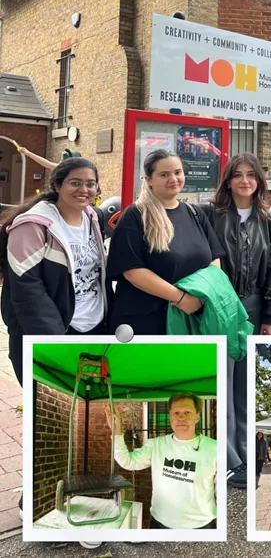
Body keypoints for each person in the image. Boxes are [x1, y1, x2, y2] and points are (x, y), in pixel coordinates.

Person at [199, 153, 271, 489]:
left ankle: (247, 455)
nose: (245, 181)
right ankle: (230, 461)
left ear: (259, 181)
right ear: (228, 180)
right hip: (220, 306)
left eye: (251, 175)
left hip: (252, 307)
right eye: (238, 175)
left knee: (245, 387)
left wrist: (270, 317)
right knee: (225, 381)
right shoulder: (209, 215)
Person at [0, 157, 109, 387]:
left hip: (94, 328)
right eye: (75, 183)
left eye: (90, 184)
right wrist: (56, 343)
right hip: (55, 331)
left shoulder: (92, 217)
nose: (84, 190)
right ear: (57, 186)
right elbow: (27, 291)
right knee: (48, 403)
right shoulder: (32, 226)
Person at [106, 149, 225, 335]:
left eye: (178, 172)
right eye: (164, 174)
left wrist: (202, 295)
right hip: (147, 323)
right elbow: (132, 271)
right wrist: (182, 298)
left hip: (192, 320)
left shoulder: (195, 213)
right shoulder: (134, 216)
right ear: (149, 180)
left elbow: (214, 258)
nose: (173, 179)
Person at [105, 394, 217, 529]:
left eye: (187, 412)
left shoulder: (215, 449)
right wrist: (116, 432)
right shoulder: (156, 445)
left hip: (202, 526)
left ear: (197, 416)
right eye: (176, 413)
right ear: (170, 416)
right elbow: (128, 461)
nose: (181, 417)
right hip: (160, 524)